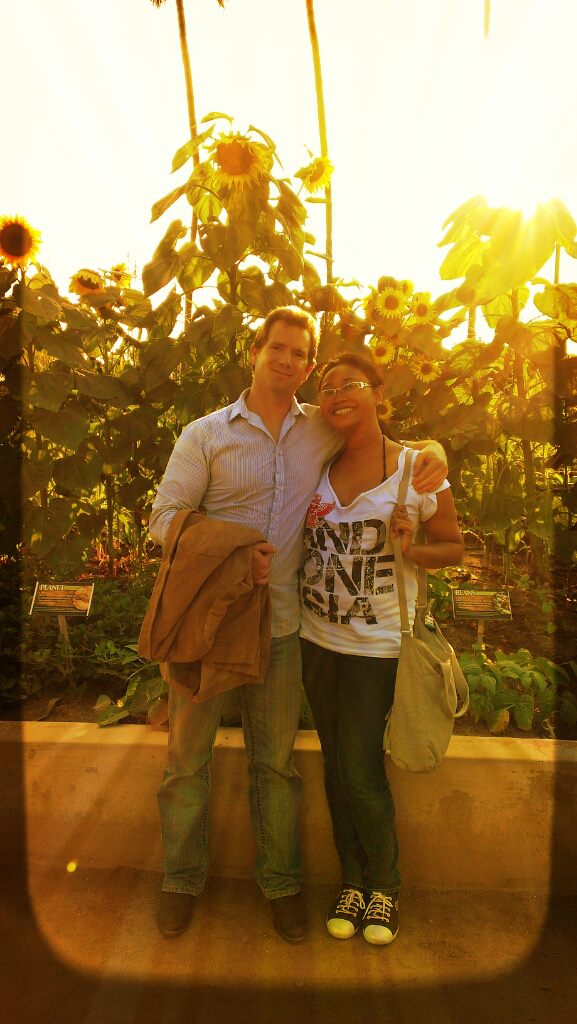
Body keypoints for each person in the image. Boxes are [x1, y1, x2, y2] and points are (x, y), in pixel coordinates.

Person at [148, 306, 448, 943]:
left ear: (309, 367)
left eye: (299, 354)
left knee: (277, 765)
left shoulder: (322, 427)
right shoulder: (206, 435)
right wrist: (235, 549)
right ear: (254, 352)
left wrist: (434, 451)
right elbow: (164, 519)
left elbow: (381, 438)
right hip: (209, 624)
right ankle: (181, 879)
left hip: (284, 627)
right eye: (276, 348)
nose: (286, 361)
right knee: (186, 760)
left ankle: (281, 884)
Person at [299, 351, 464, 946]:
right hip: (317, 640)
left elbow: (454, 547)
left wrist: (411, 548)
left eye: (351, 384)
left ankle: (384, 886)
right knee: (333, 765)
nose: (337, 394)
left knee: (360, 768)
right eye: (327, 388)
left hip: (378, 646)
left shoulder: (417, 470)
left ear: (377, 392)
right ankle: (351, 880)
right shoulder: (317, 464)